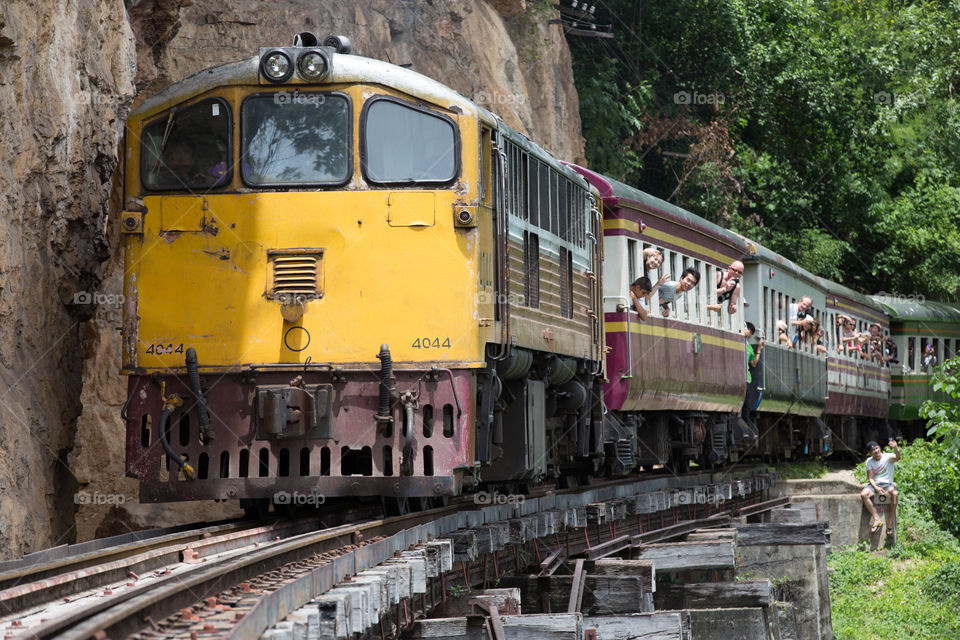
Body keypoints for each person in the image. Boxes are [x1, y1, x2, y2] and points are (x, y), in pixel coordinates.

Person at [860, 440, 901, 536]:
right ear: (870, 453)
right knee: (863, 494)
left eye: (876, 448)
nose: (876, 451)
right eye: (873, 450)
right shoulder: (869, 461)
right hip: (875, 485)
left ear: (879, 448)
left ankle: (889, 520)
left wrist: (896, 448)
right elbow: (870, 477)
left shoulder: (888, 457)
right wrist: (876, 488)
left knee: (894, 494)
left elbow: (898, 458)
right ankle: (876, 519)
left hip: (887, 484)